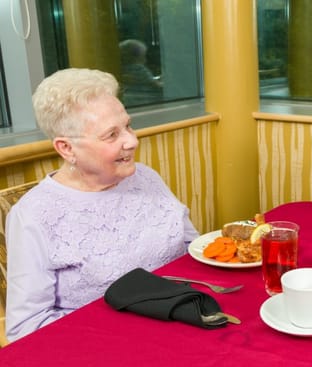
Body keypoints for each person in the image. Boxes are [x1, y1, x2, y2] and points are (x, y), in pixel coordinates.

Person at [5, 68, 199, 342]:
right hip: (106, 349)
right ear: (66, 148)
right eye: (111, 135)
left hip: (182, 321)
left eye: (128, 126)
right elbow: (26, 328)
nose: (132, 141)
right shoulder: (33, 216)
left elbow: (194, 250)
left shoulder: (145, 177)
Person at [119, 39, 163, 106]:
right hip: (143, 102)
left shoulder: (122, 69)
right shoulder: (138, 69)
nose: (145, 59)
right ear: (136, 57)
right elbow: (156, 85)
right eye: (144, 55)